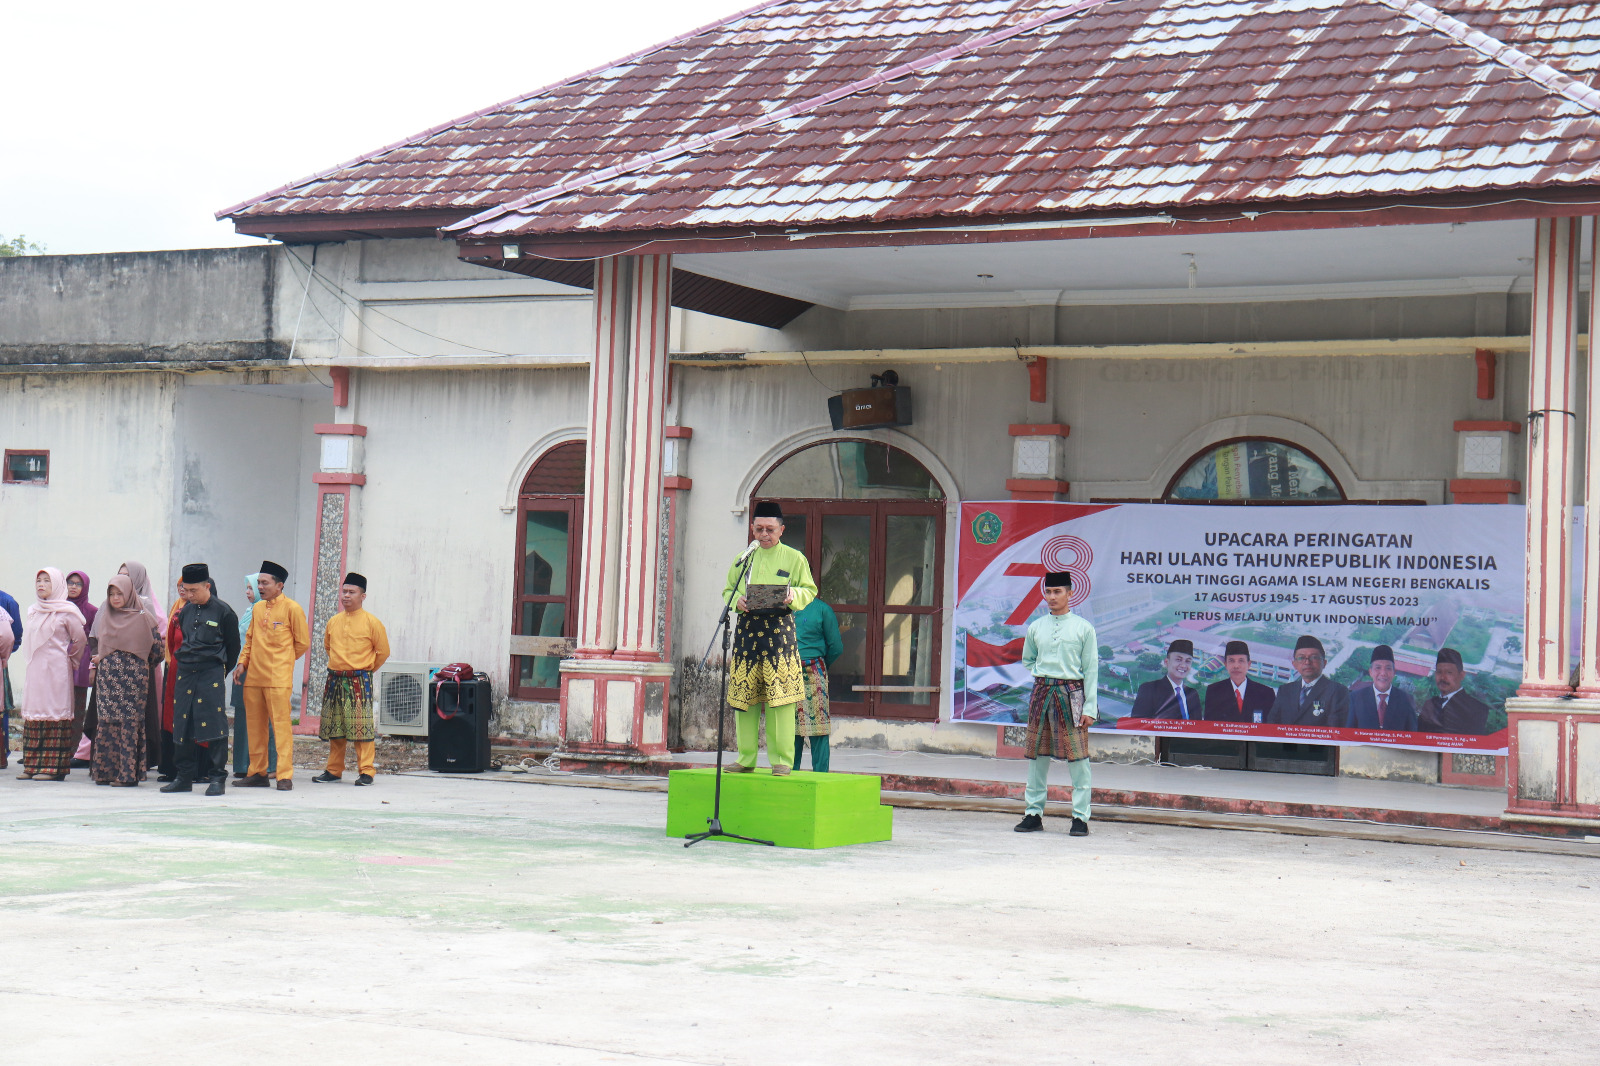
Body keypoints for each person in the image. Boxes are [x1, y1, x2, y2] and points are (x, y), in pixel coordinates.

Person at [722, 502, 817, 775]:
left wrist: (793, 597)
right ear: (752, 528)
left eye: (770, 529)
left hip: (779, 634)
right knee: (745, 699)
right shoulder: (743, 558)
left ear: (782, 530)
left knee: (782, 699)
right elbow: (728, 589)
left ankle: (782, 761)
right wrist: (735, 600)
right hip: (748, 633)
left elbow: (809, 589)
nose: (764, 534)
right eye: (759, 529)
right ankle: (745, 758)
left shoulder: (794, 558)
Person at [1015, 570, 1098, 836]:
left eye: (1057, 591)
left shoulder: (1084, 628)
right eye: (1048, 592)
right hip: (1042, 693)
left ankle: (1080, 818)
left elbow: (1091, 670)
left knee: (1078, 757)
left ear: (1070, 593)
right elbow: (1029, 660)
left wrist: (1090, 707)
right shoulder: (1036, 627)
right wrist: (1043, 674)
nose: (1052, 597)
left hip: (1072, 694)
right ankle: (1033, 814)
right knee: (1037, 757)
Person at [163, 565, 241, 795]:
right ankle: (184, 776)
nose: (189, 595)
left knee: (214, 723)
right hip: (186, 672)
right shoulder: (185, 612)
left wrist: (221, 670)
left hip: (211, 672)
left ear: (207, 586)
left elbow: (233, 647)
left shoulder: (224, 612)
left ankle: (217, 778)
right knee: (182, 723)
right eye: (186, 590)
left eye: (194, 590)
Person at [235, 560, 309, 790]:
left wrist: (283, 661)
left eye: (265, 583)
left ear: (280, 585)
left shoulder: (292, 609)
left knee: (281, 726)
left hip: (278, 679)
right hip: (254, 677)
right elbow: (249, 640)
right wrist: (242, 663)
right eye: (258, 583)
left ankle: (284, 774)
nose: (260, 587)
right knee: (255, 727)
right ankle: (257, 772)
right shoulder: (257, 609)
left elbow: (302, 643)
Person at [313, 573, 390, 786]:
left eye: (351, 592)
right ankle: (333, 770)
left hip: (359, 679)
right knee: (335, 727)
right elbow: (328, 647)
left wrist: (366, 670)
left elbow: (383, 652)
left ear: (363, 596)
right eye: (344, 592)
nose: (346, 596)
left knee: (361, 729)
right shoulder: (334, 621)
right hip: (335, 678)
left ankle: (367, 771)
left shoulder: (372, 623)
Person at [88, 575, 161, 786]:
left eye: (119, 593)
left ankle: (127, 775)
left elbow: (157, 651)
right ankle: (105, 772)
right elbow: (100, 645)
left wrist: (134, 662)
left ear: (129, 593)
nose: (115, 598)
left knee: (129, 724)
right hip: (108, 680)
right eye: (111, 594)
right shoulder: (106, 617)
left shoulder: (143, 617)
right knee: (107, 723)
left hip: (133, 681)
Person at [18, 568, 88, 781]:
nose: (41, 584)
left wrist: (71, 661)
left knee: (53, 712)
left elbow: (80, 640)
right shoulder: (34, 610)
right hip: (35, 670)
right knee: (34, 712)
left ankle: (51, 768)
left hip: (56, 671)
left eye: (47, 580)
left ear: (57, 584)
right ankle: (32, 765)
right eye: (38, 580)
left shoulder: (67, 612)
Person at [118, 561, 168, 769]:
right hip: (117, 671)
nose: (123, 580)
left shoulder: (149, 607)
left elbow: (160, 639)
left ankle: (143, 758)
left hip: (144, 669)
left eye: (128, 576)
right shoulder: (115, 602)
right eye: (120, 575)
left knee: (143, 714)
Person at [230, 574, 275, 778]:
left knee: (263, 718)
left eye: (252, 588)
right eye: (248, 588)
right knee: (242, 716)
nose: (248, 592)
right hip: (243, 666)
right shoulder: (250, 612)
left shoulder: (267, 612)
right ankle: (241, 764)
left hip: (260, 668)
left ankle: (269, 765)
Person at [792, 596, 843, 772]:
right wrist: (821, 665)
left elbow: (836, 646)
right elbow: (836, 647)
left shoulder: (785, 608)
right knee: (815, 728)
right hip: (813, 669)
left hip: (789, 671)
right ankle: (820, 775)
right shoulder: (822, 609)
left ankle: (789, 774)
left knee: (792, 727)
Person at [1266, 635, 1350, 727]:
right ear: (1294, 664)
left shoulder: (1338, 691)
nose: (1307, 662)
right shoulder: (1285, 690)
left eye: (1314, 657)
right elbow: (1272, 723)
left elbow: (1335, 730)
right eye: (1301, 658)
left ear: (1324, 663)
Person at [64, 570, 97, 762]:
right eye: (70, 583)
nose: (73, 587)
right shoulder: (58, 607)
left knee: (76, 709)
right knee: (57, 707)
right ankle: (54, 748)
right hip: (59, 660)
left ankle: (74, 751)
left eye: (78, 584)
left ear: (85, 588)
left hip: (81, 662)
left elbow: (94, 638)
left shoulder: (92, 611)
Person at [1417, 648, 1490, 734]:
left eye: (1449, 673)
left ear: (1461, 675)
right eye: (1439, 672)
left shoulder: (1477, 709)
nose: (1443, 678)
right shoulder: (1429, 704)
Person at [1347, 645, 1418, 731]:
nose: (1383, 673)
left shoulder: (1406, 699)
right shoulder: (1356, 698)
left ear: (1394, 672)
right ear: (1370, 672)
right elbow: (1349, 734)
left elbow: (1412, 734)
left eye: (1388, 668)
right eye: (1378, 668)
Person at [1203, 640, 1275, 722]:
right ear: (1225, 664)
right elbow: (1209, 728)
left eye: (1241, 661)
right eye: (1231, 661)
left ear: (1249, 664)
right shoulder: (1214, 691)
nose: (1236, 666)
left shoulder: (1266, 693)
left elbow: (1271, 729)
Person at [1129, 639, 1201, 719]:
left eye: (1188, 661)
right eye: (1178, 660)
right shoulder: (1149, 689)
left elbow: (1198, 726)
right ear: (1166, 662)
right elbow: (1138, 724)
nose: (1183, 665)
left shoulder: (1192, 694)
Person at [0, 585, 20, 770]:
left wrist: (4, 656)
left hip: (1, 661)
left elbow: (14, 636)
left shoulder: (7, 601)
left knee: (2, 708)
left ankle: (2, 752)